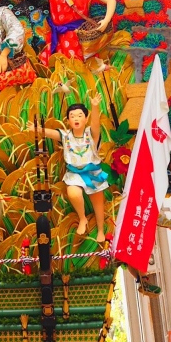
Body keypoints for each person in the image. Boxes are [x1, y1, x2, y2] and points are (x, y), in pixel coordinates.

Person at [44, 97, 109, 239]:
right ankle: (82, 218)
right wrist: (37, 129)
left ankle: (100, 230)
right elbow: (50, 133)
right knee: (73, 193)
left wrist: (95, 106)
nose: (76, 118)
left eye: (80, 115)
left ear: (86, 118)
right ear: (68, 121)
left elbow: (96, 124)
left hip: (92, 173)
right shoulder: (66, 136)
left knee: (98, 203)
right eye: (72, 116)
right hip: (74, 174)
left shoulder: (91, 134)